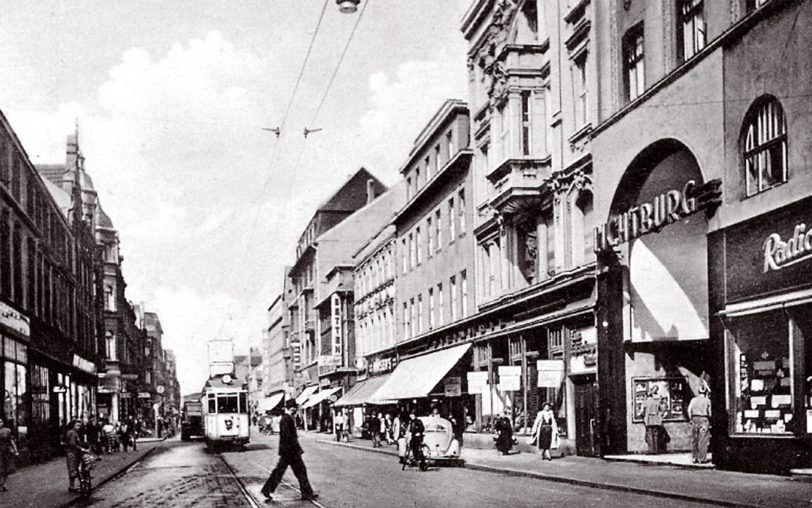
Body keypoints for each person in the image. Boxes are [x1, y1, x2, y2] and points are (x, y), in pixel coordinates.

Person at [260, 400, 316, 502]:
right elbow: (288, 437)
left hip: (288, 452)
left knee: (282, 472)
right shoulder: (286, 419)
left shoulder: (287, 418)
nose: (296, 409)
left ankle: (267, 490)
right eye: (295, 408)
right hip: (290, 452)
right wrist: (294, 449)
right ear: (292, 408)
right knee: (300, 472)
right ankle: (307, 494)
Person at [687, 385, 711, 464]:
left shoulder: (693, 400)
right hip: (704, 419)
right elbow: (710, 412)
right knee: (703, 439)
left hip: (694, 419)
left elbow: (689, 409)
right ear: (705, 392)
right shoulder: (707, 401)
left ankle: (694, 457)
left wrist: (691, 418)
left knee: (694, 439)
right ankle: (702, 458)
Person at [65, 420, 89, 492]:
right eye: (77, 425)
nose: (78, 427)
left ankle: (72, 486)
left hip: (72, 453)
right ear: (73, 425)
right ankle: (72, 486)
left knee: (73, 469)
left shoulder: (73, 432)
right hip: (72, 453)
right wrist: (81, 449)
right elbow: (73, 444)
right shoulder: (73, 433)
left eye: (79, 426)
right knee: (74, 469)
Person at [643, 385, 665, 454]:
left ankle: (651, 450)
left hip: (648, 420)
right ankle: (656, 450)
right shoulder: (656, 402)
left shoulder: (645, 402)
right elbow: (662, 410)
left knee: (649, 435)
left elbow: (641, 411)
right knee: (656, 435)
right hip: (656, 420)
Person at [0, 418, 19, 492]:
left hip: (5, 451)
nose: (0, 423)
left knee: (5, 468)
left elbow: (11, 441)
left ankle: (4, 483)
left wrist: (15, 450)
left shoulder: (7, 431)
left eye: (1, 421)